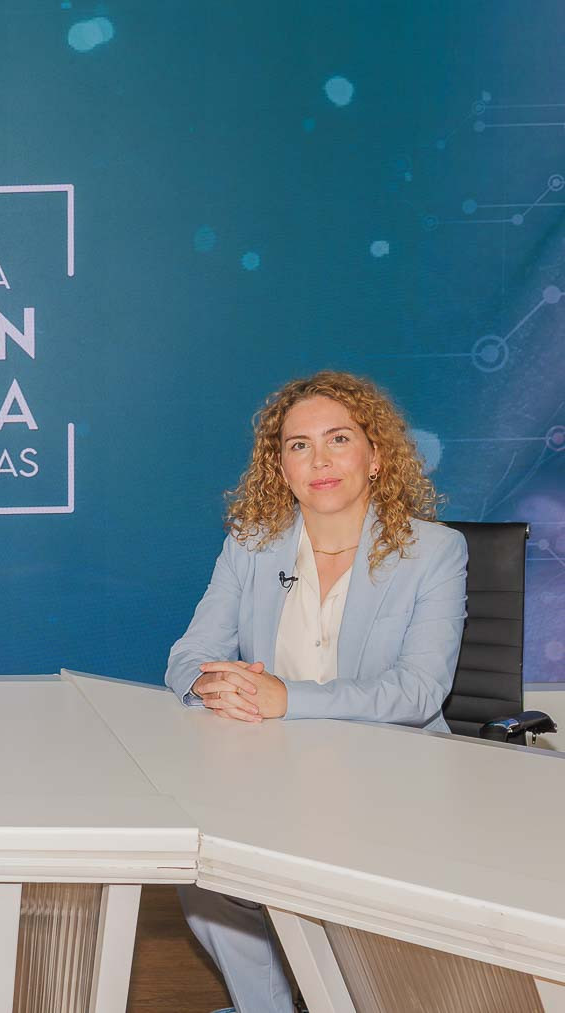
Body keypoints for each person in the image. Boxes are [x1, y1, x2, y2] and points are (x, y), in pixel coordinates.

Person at [164, 371, 467, 1013]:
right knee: (208, 881)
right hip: (272, 774)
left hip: (393, 780)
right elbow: (188, 655)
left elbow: (418, 692)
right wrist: (216, 683)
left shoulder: (434, 552)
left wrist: (286, 699)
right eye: (299, 446)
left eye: (338, 439)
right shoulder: (250, 547)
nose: (319, 460)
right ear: (281, 468)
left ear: (376, 456)